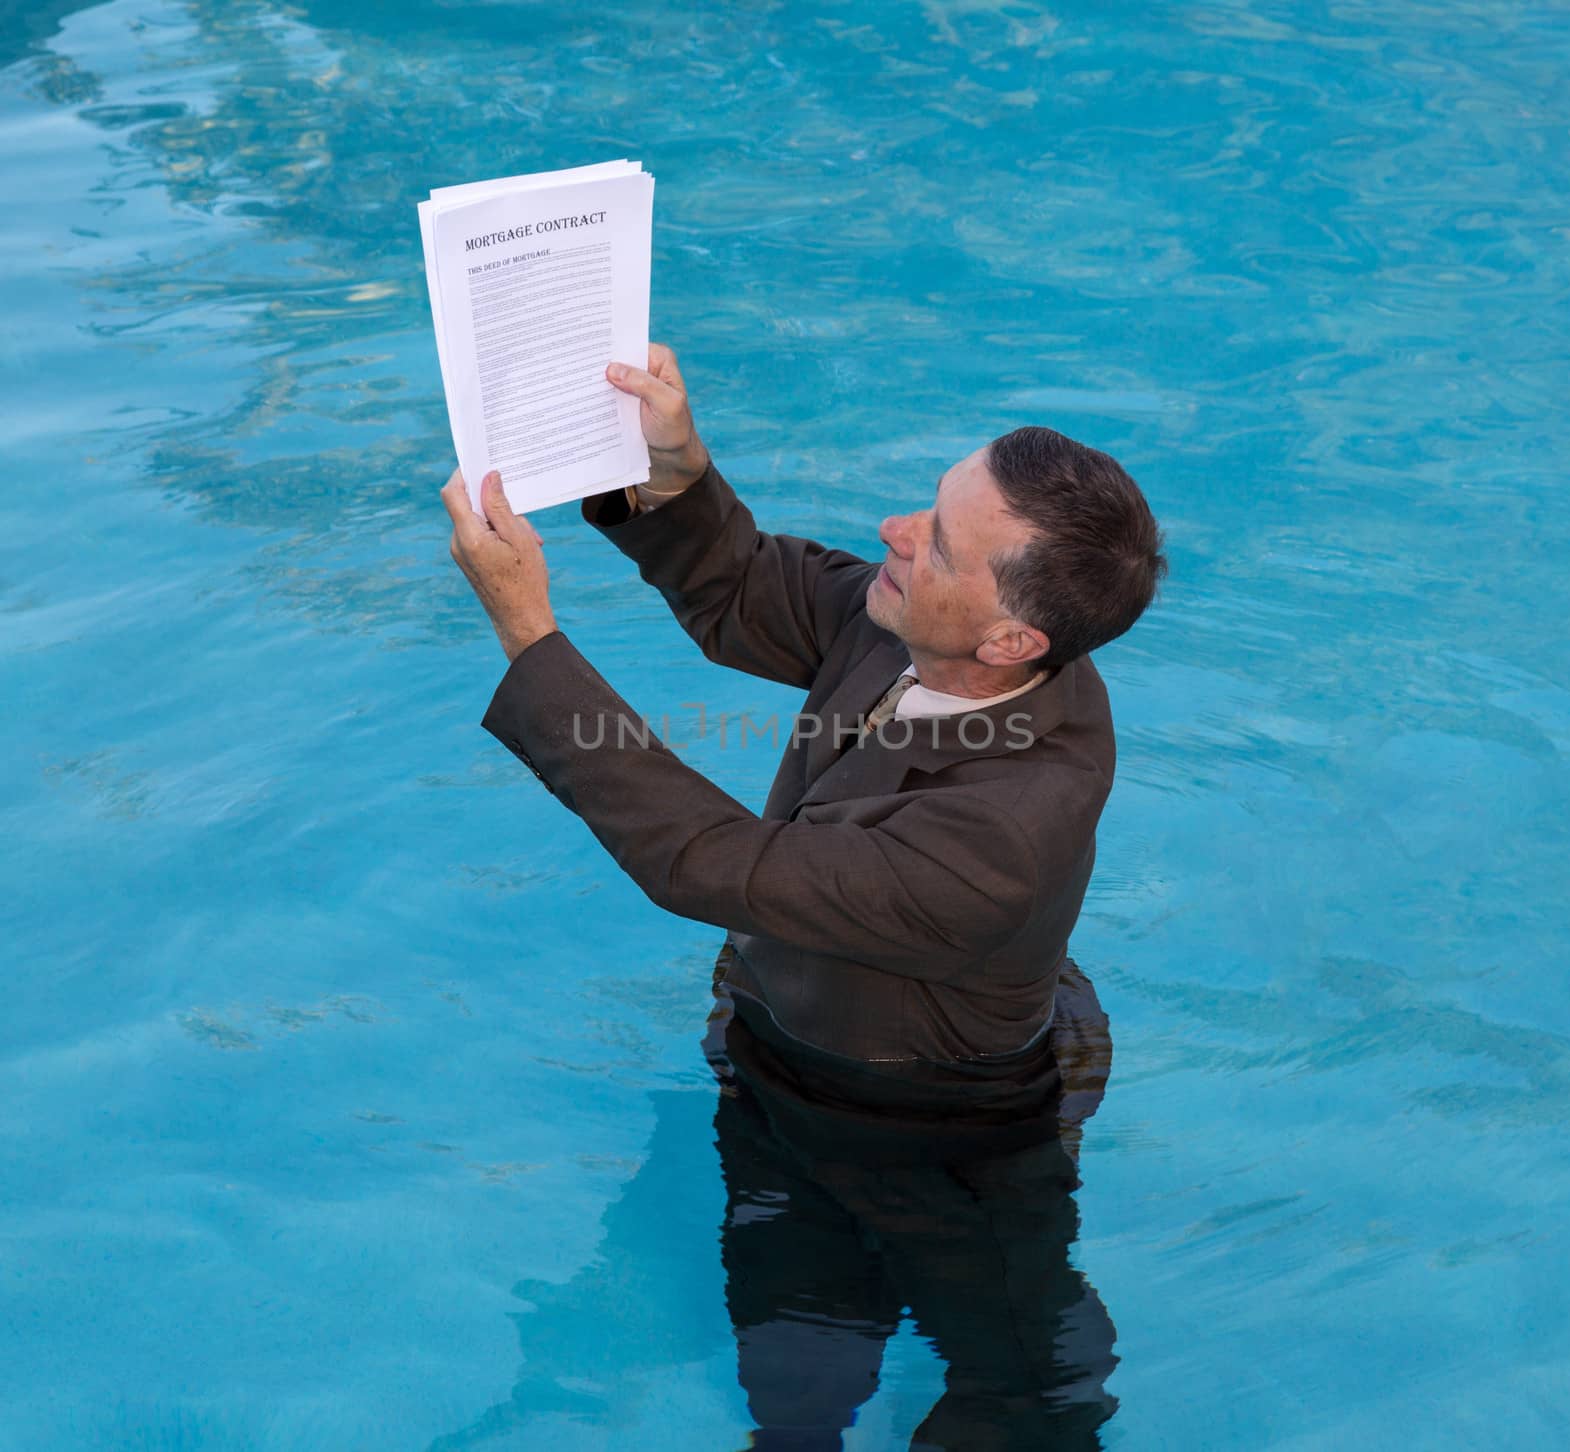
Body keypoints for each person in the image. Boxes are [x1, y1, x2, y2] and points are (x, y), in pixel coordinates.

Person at [439, 344, 1164, 1443]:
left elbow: (704, 860)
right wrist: (668, 464)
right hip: (781, 1051)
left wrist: (527, 634)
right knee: (791, 1381)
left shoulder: (1005, 832)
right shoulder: (923, 628)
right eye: (929, 504)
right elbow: (739, 589)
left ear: (1014, 639)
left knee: (1028, 1383)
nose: (896, 531)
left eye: (938, 542)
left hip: (945, 1120)